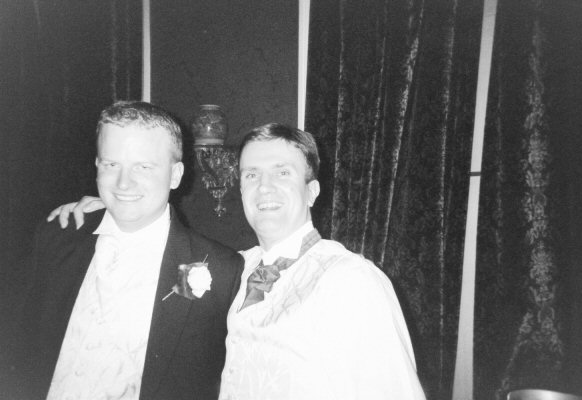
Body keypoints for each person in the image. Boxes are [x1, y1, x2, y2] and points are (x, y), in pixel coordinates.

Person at [47, 123, 426, 400]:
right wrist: (110, 209)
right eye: (251, 175)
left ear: (312, 191)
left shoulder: (351, 279)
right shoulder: (231, 268)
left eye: (283, 173)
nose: (265, 187)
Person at [6, 101, 244, 400]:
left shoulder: (223, 269)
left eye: (143, 167)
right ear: (97, 165)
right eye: (111, 164)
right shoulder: (57, 236)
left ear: (175, 175)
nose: (123, 183)